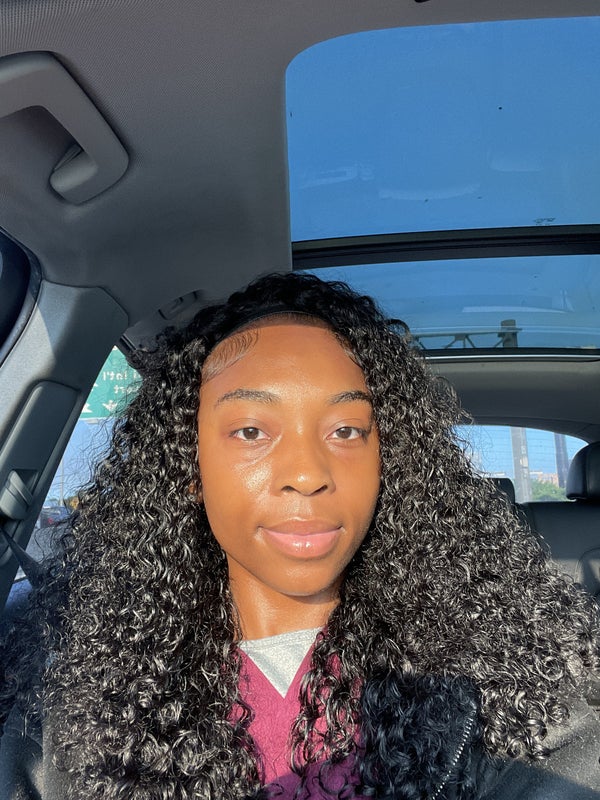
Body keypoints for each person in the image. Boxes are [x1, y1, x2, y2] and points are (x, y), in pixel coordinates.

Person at [1, 271, 599, 799]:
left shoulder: (505, 670)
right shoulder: (74, 692)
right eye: (251, 431)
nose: (309, 473)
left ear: (388, 463)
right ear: (188, 468)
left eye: (346, 430)